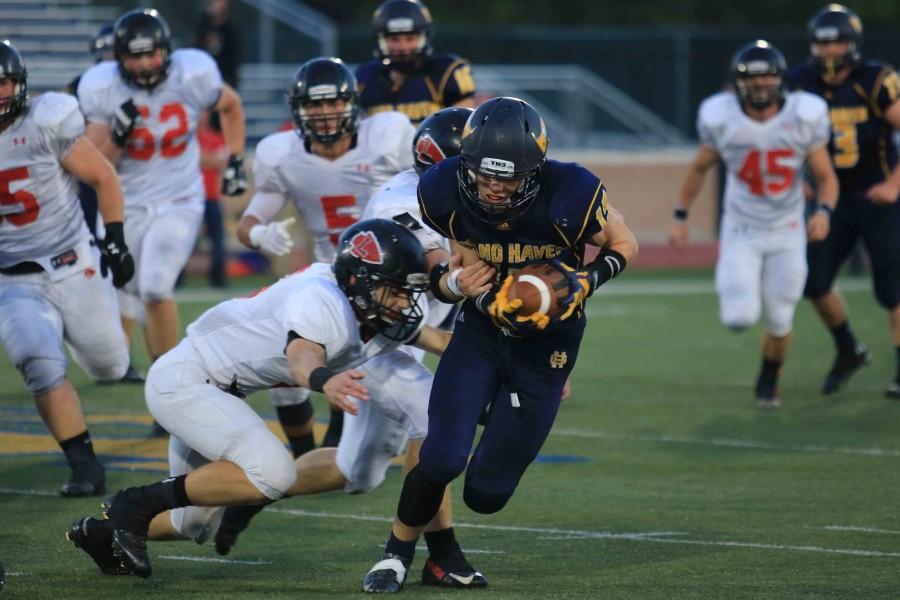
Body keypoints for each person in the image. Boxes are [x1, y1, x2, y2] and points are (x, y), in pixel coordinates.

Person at [66, 219, 449, 579]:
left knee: (192, 524)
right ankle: (133, 503)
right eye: (395, 291)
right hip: (186, 381)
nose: (402, 303)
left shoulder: (366, 301)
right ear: (357, 279)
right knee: (274, 473)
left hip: (212, 391)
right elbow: (302, 357)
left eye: (407, 292)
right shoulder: (321, 297)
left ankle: (100, 534)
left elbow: (441, 342)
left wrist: (499, 337)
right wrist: (325, 381)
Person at [360, 97, 639, 593]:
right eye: (484, 175)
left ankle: (498, 409)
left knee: (487, 494)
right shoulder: (443, 189)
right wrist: (461, 289)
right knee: (442, 456)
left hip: (548, 344)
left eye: (507, 178)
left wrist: (586, 281)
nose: (493, 187)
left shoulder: (570, 191)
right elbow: (457, 268)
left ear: (534, 170)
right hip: (482, 330)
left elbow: (625, 244)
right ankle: (396, 553)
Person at [215, 107, 487, 589]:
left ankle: (249, 492)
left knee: (353, 469)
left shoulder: (476, 194)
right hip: (390, 328)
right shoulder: (404, 199)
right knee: (432, 421)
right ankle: (436, 553)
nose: (488, 179)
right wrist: (464, 283)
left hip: (430, 324)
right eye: (477, 167)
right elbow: (437, 272)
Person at [237, 56, 414, 451]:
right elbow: (246, 224)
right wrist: (260, 234)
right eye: (314, 105)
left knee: (384, 387)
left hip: (391, 280)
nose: (325, 113)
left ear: (352, 103)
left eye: (333, 102)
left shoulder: (388, 137)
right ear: (299, 110)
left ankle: (343, 442)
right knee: (284, 368)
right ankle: (302, 454)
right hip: (329, 278)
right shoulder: (282, 154)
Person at [77, 9, 247, 394]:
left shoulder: (192, 73)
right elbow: (93, 165)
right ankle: (157, 373)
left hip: (179, 198)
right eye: (134, 56)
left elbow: (230, 104)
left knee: (155, 287)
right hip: (125, 202)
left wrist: (235, 160)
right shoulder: (103, 88)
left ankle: (174, 384)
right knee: (132, 292)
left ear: (167, 52)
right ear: (119, 59)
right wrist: (118, 134)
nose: (144, 64)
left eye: (150, 54)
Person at [669, 41, 838, 408]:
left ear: (780, 79)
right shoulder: (722, 118)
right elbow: (699, 167)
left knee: (780, 319)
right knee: (738, 318)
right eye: (752, 77)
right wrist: (680, 216)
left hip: (788, 230)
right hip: (742, 230)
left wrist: (823, 212)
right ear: (738, 84)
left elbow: (826, 176)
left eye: (767, 76)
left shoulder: (803, 116)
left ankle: (769, 375)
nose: (761, 84)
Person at [0, 41, 135, 496]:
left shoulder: (45, 121)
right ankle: (84, 465)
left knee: (110, 365)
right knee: (39, 364)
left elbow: (102, 177)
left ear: (20, 84)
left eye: (4, 82)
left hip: (74, 264)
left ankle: (87, 344)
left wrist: (114, 239)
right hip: (12, 279)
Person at [786, 5, 900, 399]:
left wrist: (895, 184)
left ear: (852, 44)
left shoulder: (877, 80)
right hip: (828, 197)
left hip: (876, 193)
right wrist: (794, 179)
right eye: (823, 42)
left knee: (892, 285)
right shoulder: (798, 82)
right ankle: (847, 347)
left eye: (837, 41)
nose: (830, 50)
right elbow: (778, 135)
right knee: (814, 281)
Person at [66, 23, 145, 385]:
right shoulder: (86, 89)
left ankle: (118, 356)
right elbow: (93, 162)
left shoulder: (150, 85)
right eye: (109, 55)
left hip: (126, 191)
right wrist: (117, 133)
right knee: (89, 276)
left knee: (121, 277)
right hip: (81, 190)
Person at [356, 0, 476, 125]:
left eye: (410, 38)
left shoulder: (445, 72)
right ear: (381, 40)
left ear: (424, 38)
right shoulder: (366, 77)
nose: (403, 47)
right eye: (394, 39)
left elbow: (466, 126)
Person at [197, 110, 228, 288]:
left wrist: (201, 158)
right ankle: (177, 279)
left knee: (217, 240)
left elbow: (220, 162)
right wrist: (209, 158)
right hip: (190, 197)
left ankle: (218, 278)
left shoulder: (215, 137)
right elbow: (213, 160)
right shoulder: (188, 139)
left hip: (211, 196)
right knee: (184, 239)